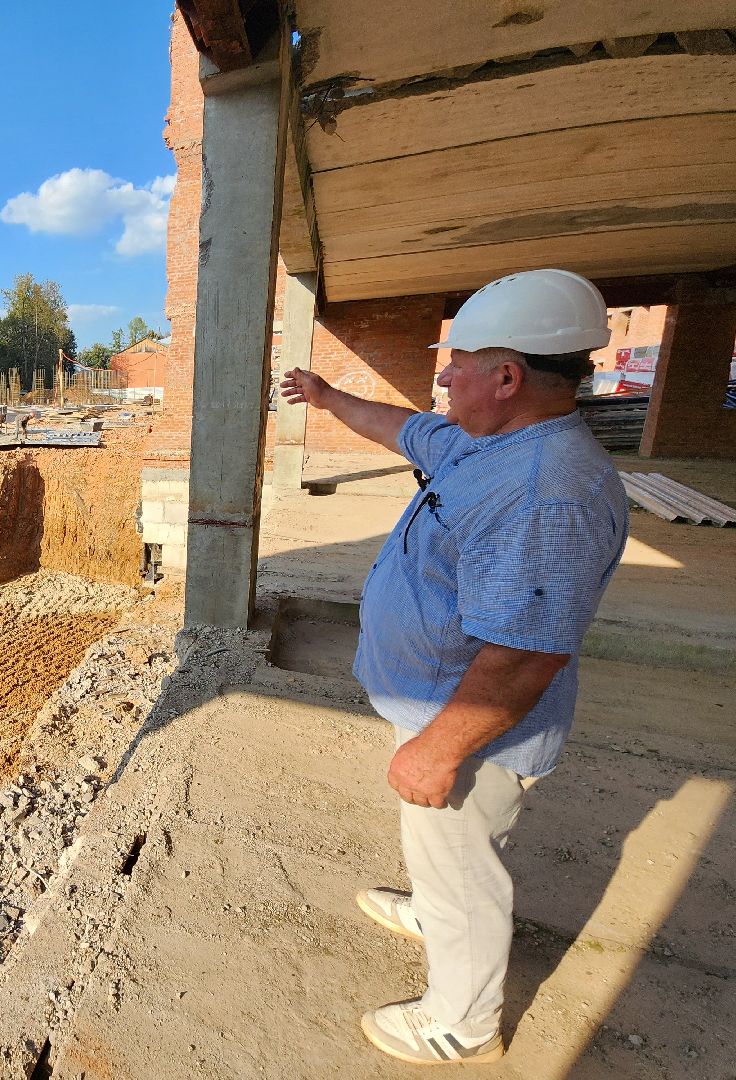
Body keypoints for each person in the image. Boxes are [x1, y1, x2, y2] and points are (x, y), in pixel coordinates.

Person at [279, 268, 628, 1066]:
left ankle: (461, 1025)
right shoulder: (488, 442)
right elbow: (404, 428)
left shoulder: (545, 491)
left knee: (465, 870)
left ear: (507, 378)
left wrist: (437, 750)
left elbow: (525, 652)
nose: (442, 378)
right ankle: (434, 908)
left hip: (471, 729)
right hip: (441, 705)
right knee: (448, 850)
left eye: (458, 364)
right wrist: (328, 398)